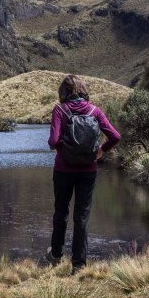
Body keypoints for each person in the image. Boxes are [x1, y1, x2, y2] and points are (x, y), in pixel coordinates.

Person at [45, 74, 121, 273]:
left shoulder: (60, 110)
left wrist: (65, 148)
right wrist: (101, 150)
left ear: (63, 92)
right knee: (82, 217)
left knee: (61, 212)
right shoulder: (95, 111)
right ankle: (78, 265)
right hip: (88, 170)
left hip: (63, 170)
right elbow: (115, 136)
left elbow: (53, 142)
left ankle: (56, 254)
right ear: (82, 90)